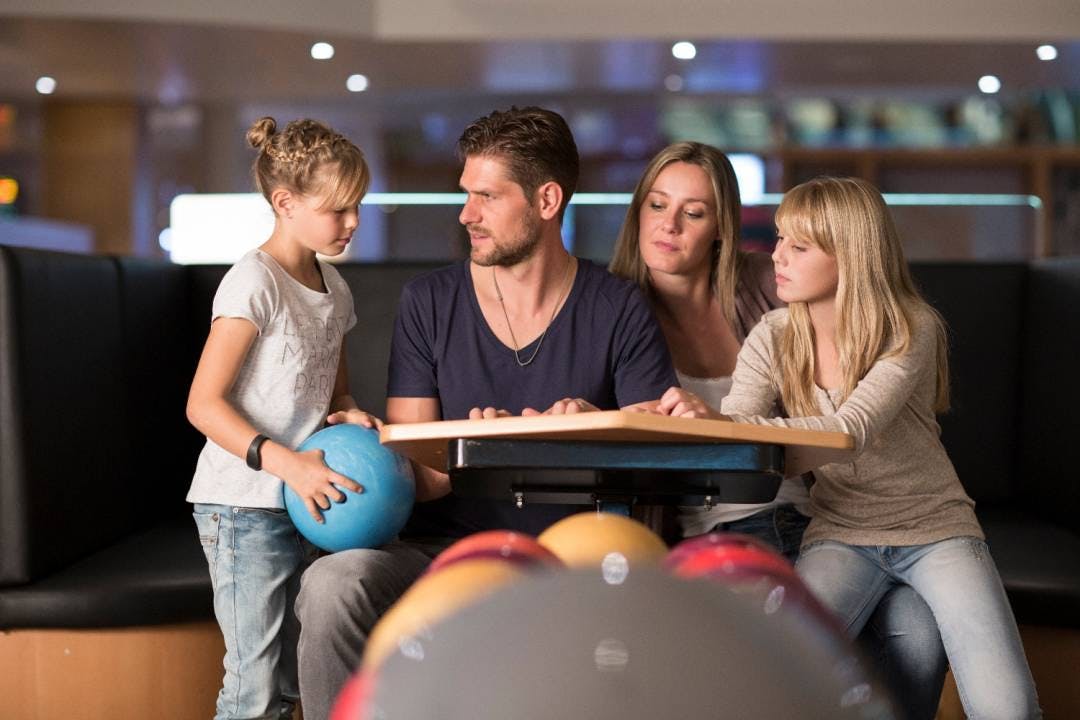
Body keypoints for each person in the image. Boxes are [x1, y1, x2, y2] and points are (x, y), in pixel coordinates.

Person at [293, 106, 677, 720]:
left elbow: (657, 471)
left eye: (486, 197)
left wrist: (583, 430)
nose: (466, 213)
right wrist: (461, 443)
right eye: (465, 194)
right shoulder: (428, 302)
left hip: (570, 560)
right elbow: (419, 477)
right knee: (333, 585)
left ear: (547, 199)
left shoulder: (619, 307)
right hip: (442, 551)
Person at [658, 176, 1041, 719]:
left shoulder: (910, 326)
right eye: (780, 239)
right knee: (777, 680)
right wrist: (707, 420)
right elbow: (743, 425)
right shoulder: (771, 333)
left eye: (799, 246)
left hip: (935, 530)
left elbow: (850, 430)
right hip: (839, 531)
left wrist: (742, 432)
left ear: (849, 257)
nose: (776, 257)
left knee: (1010, 709)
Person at [610, 144, 947, 719]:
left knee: (919, 632)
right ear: (637, 210)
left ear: (721, 227)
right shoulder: (612, 308)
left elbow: (870, 368)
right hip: (721, 525)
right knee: (783, 641)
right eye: (656, 204)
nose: (668, 225)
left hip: (827, 513)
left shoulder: (775, 284)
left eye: (693, 212)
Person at [186, 117, 382, 720]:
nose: (352, 223)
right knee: (255, 689)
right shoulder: (254, 281)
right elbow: (202, 404)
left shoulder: (336, 288)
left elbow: (334, 393)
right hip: (244, 506)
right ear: (285, 202)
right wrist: (289, 464)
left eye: (358, 207)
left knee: (294, 686)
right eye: (338, 210)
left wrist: (351, 416)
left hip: (307, 506)